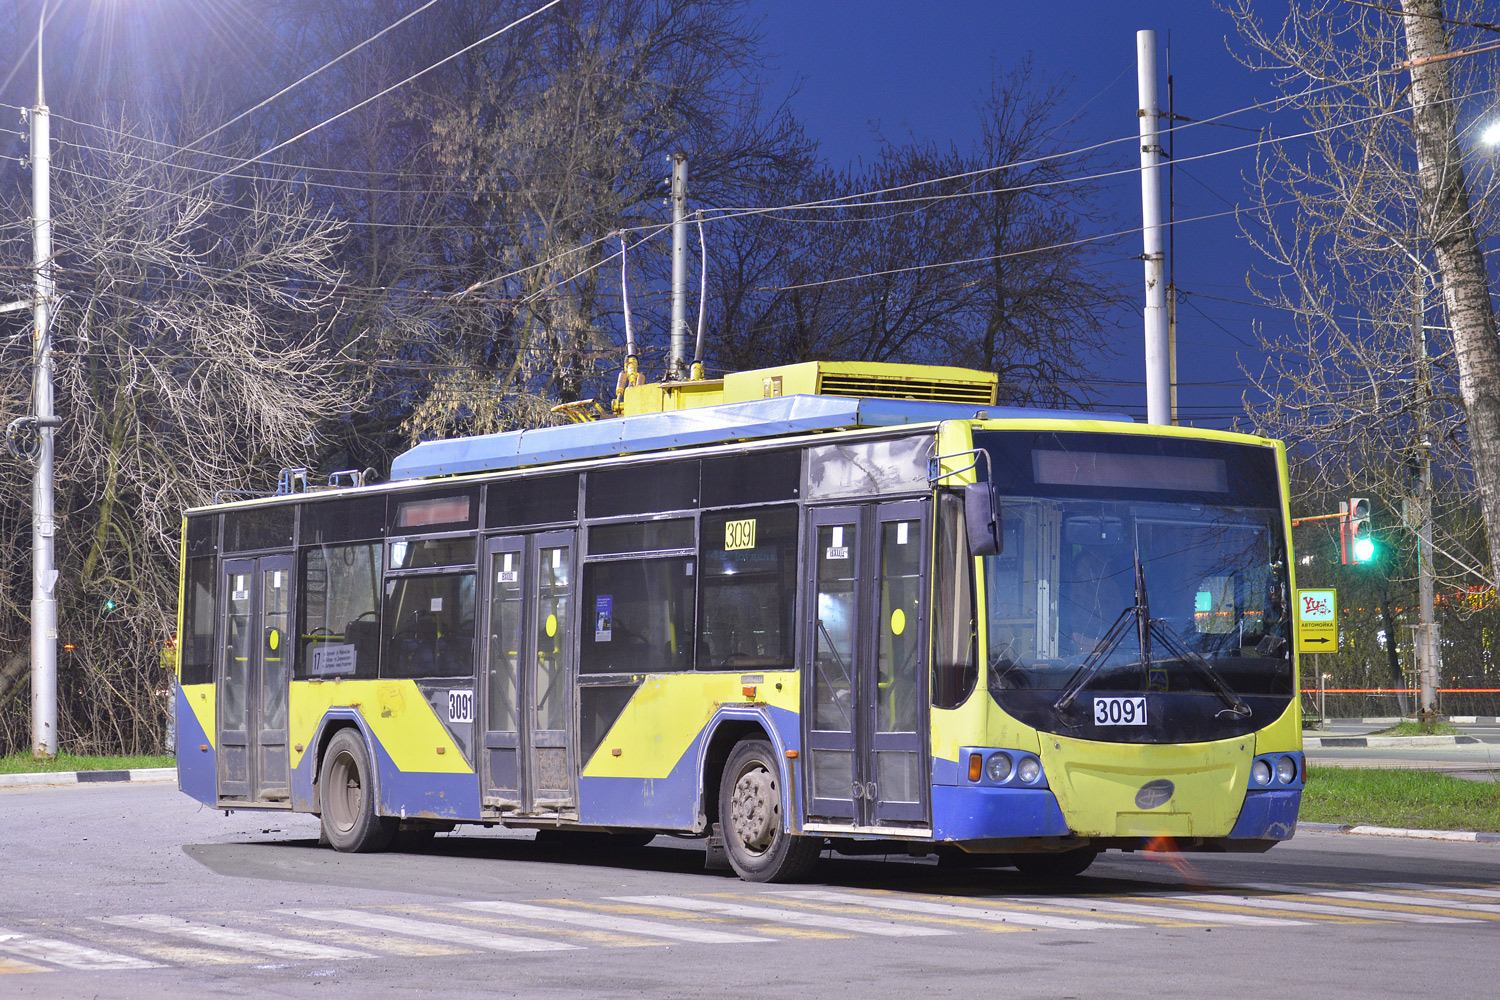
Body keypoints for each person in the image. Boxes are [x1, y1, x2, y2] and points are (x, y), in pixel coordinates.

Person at [1060, 545, 1129, 656]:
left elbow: (1120, 615)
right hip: (1082, 644)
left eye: (1088, 569)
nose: (1083, 574)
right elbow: (1073, 615)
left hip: (1109, 644)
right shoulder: (1075, 589)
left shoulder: (1109, 587)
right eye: (1080, 571)